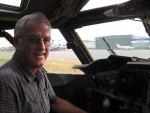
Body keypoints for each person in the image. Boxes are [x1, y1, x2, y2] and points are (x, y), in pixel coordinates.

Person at [0, 12, 87, 113]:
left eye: (46, 40)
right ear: (16, 43)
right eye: (33, 39)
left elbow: (55, 102)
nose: (42, 47)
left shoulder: (39, 73)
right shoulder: (6, 82)